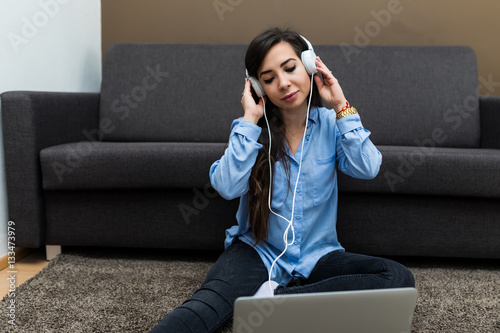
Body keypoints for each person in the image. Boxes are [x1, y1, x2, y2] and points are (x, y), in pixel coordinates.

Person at [150, 27, 414, 333]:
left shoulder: (332, 123)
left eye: (290, 68)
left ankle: (277, 300)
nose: (283, 83)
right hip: (256, 252)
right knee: (202, 307)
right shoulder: (251, 131)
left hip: (319, 256)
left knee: (397, 277)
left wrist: (340, 104)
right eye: (268, 78)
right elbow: (226, 186)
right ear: (257, 87)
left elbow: (368, 167)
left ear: (310, 65)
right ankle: (283, 304)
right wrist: (249, 119)